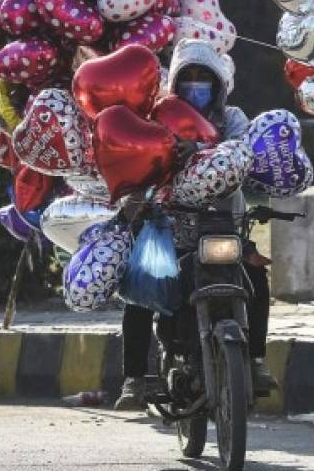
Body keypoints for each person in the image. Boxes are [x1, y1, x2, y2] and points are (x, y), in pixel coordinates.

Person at [114, 40, 278, 410]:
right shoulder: (156, 118)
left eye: (205, 77)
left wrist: (204, 148)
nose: (197, 84)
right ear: (175, 84)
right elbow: (137, 161)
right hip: (171, 228)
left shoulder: (232, 118)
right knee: (141, 288)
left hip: (223, 226)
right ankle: (135, 377)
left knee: (257, 280)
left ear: (219, 83)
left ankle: (254, 361)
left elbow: (244, 152)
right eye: (188, 77)